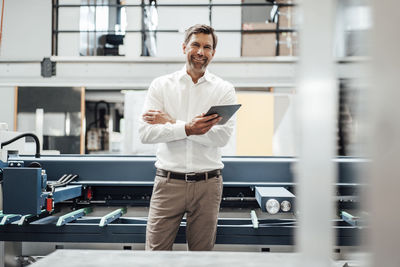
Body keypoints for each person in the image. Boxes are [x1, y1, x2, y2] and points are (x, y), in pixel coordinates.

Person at [139, 24, 237, 251]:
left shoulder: (224, 90)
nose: (200, 52)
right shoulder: (161, 86)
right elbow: (146, 133)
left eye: (207, 47)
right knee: (155, 256)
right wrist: (190, 128)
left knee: (201, 259)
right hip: (168, 184)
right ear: (184, 47)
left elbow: (221, 137)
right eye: (195, 45)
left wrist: (173, 123)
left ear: (213, 53)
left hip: (208, 185)